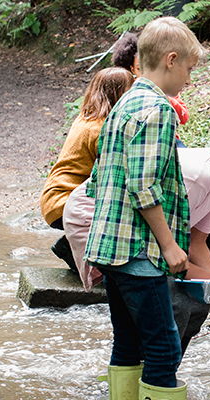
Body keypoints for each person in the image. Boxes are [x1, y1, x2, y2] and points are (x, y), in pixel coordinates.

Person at [62, 106, 210, 354]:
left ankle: (159, 371)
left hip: (144, 232)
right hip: (96, 217)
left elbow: (196, 242)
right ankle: (153, 372)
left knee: (199, 302)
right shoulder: (198, 177)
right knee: (174, 303)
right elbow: (161, 251)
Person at [85, 16, 201, 400]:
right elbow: (143, 186)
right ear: (170, 60)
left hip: (109, 248)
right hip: (138, 251)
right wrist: (169, 246)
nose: (188, 79)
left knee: (128, 344)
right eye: (188, 68)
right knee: (164, 349)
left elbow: (99, 178)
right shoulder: (160, 109)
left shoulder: (125, 102)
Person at [39, 66, 135, 281]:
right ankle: (75, 249)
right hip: (65, 201)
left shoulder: (86, 118)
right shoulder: (101, 129)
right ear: (119, 94)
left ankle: (71, 245)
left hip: (54, 198)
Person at [111, 31, 190, 127]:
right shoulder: (129, 89)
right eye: (139, 69)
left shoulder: (166, 85)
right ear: (132, 69)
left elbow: (184, 117)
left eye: (148, 67)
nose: (145, 74)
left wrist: (164, 95)